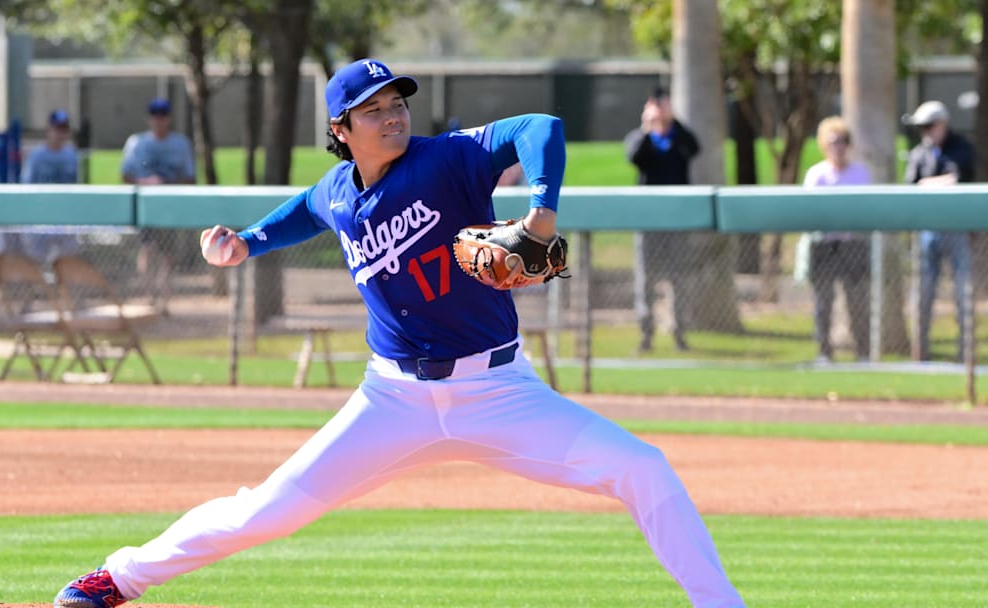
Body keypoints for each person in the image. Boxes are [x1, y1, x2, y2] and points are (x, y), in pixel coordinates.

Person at [52, 58, 744, 608]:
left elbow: (541, 127)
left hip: (499, 390)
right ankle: (117, 580)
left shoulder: (447, 159)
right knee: (263, 511)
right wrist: (249, 242)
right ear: (340, 130)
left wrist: (540, 213)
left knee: (643, 468)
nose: (393, 116)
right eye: (374, 110)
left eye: (398, 103)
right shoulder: (337, 191)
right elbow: (305, 210)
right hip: (392, 401)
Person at [623, 86, 700, 352]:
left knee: (680, 279)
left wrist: (672, 119)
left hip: (677, 222)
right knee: (646, 280)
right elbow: (634, 157)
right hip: (648, 222)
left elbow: (694, 148)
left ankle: (680, 333)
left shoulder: (679, 136)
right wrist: (648, 127)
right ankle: (647, 335)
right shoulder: (640, 138)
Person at [902, 100, 975, 362]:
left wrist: (926, 183)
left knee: (962, 293)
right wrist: (932, 183)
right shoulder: (920, 153)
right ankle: (920, 354)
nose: (926, 132)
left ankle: (966, 354)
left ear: (942, 124)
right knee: (923, 293)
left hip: (956, 229)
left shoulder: (961, 148)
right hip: (927, 231)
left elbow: (956, 179)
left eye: (929, 126)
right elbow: (910, 185)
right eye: (922, 128)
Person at [800, 116, 872, 363]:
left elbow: (865, 208)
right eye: (833, 142)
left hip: (853, 243)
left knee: (858, 302)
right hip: (824, 245)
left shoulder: (860, 173)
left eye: (842, 141)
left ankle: (863, 352)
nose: (838, 147)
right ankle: (824, 352)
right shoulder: (816, 175)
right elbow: (809, 209)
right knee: (823, 303)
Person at [121, 97, 196, 315]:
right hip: (146, 206)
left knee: (168, 255)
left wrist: (166, 183)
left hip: (169, 206)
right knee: (147, 250)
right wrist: (147, 182)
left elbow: (189, 177)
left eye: (163, 115)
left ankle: (164, 300)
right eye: (155, 115)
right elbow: (126, 175)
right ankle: (149, 297)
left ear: (169, 118)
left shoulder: (180, 144)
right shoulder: (137, 142)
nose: (159, 120)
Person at [16, 109, 81, 262]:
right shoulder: (37, 156)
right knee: (37, 261)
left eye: (63, 129)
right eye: (57, 128)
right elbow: (27, 186)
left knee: (67, 262)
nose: (60, 133)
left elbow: (77, 186)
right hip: (41, 217)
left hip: (65, 218)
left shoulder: (71, 155)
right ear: (49, 129)